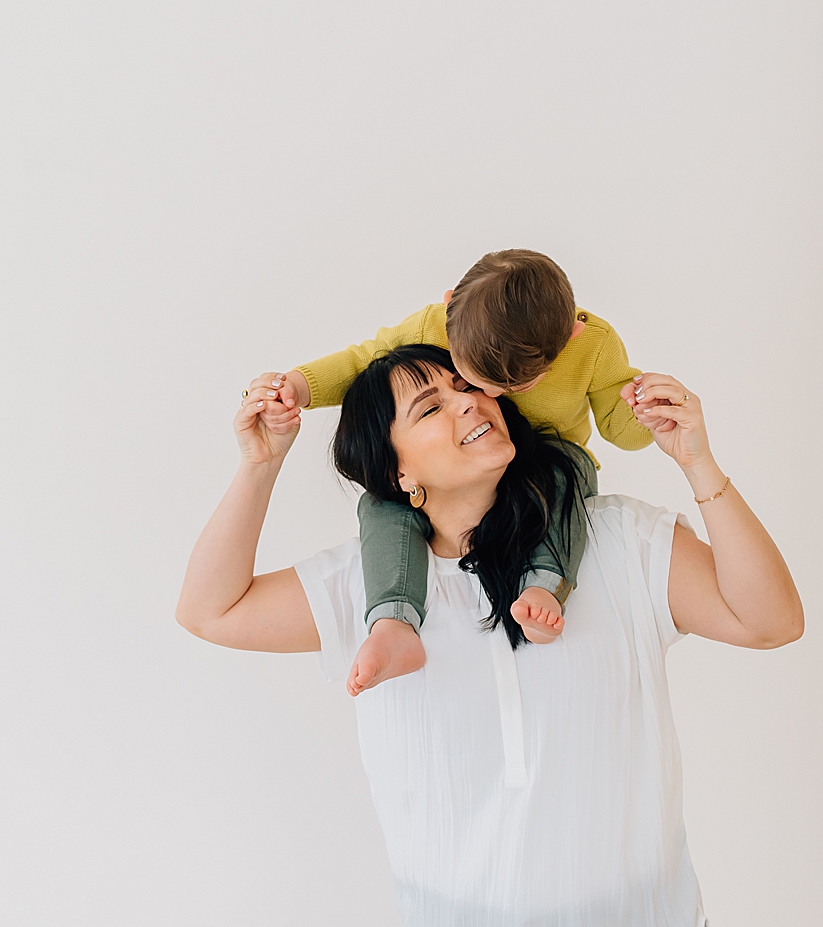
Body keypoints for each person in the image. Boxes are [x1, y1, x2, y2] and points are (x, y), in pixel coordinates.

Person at [177, 346, 802, 927]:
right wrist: (260, 465)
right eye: (430, 408)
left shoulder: (616, 538)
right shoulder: (364, 588)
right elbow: (211, 611)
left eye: (468, 387)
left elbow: (770, 621)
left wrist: (697, 462)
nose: (468, 404)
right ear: (397, 472)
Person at [249, 249, 658, 693]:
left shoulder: (593, 346)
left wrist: (645, 411)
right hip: (471, 464)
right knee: (380, 506)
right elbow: (360, 361)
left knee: (568, 469)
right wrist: (297, 386)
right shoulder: (432, 326)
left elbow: (620, 425)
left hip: (549, 462)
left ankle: (546, 584)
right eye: (471, 377)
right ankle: (393, 620)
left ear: (571, 337)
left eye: (513, 385)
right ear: (449, 311)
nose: (486, 395)